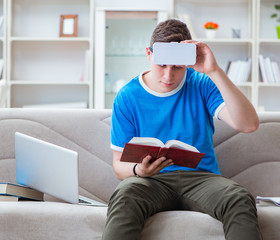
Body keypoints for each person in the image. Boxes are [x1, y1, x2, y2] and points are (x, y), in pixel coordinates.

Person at [103, 19, 262, 240]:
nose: (168, 76)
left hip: (201, 179)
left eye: (177, 67)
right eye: (161, 65)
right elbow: (119, 163)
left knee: (239, 197)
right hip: (151, 181)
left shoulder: (202, 83)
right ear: (149, 54)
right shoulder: (127, 96)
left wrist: (214, 71)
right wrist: (139, 171)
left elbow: (249, 124)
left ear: (188, 62)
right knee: (124, 194)